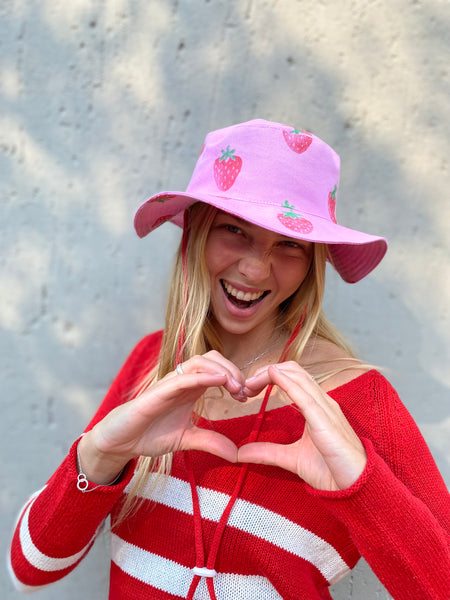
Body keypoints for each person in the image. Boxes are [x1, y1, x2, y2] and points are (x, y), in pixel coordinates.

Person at [8, 119, 450, 600]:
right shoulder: (151, 364)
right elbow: (32, 570)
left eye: (289, 245)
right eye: (234, 231)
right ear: (196, 231)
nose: (256, 268)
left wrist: (360, 487)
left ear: (312, 264)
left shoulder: (361, 400)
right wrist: (102, 456)